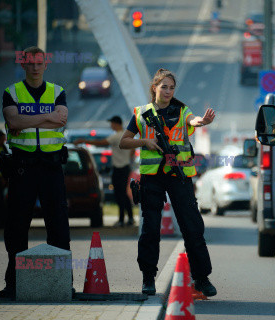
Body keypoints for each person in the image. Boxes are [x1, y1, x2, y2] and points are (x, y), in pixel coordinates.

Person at [119, 68, 217, 296]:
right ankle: (148, 278)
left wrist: (203, 121)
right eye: (164, 87)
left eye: (172, 88)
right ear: (155, 88)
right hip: (152, 177)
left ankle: (201, 279)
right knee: (150, 229)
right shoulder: (141, 113)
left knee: (192, 227)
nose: (168, 91)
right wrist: (145, 142)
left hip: (179, 176)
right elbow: (124, 142)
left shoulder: (182, 111)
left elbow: (194, 120)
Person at [0, 46, 71, 299]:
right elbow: (14, 122)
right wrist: (47, 116)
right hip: (23, 168)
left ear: (45, 64)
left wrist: (28, 119)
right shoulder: (12, 92)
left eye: (39, 63)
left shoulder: (57, 91)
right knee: (17, 227)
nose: (35, 67)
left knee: (59, 226)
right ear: (23, 65)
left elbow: (61, 119)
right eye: (30, 63)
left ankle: (63, 281)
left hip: (52, 167)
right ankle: (14, 283)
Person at [73, 116, 135, 226]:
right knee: (123, 193)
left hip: (119, 168)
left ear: (116, 124)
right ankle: (129, 218)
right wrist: (127, 159)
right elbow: (133, 150)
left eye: (111, 123)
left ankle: (122, 219)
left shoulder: (117, 136)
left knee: (119, 194)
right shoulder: (127, 135)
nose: (111, 126)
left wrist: (83, 140)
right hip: (125, 167)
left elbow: (101, 143)